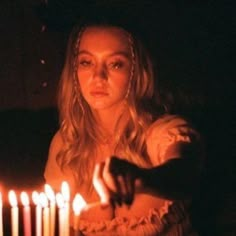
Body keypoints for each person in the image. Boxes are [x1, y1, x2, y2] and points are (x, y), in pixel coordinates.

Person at [44, 11, 205, 236]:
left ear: (136, 72)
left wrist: (143, 179)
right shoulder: (66, 146)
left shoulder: (164, 132)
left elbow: (184, 174)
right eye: (86, 62)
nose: (98, 76)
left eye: (116, 64)